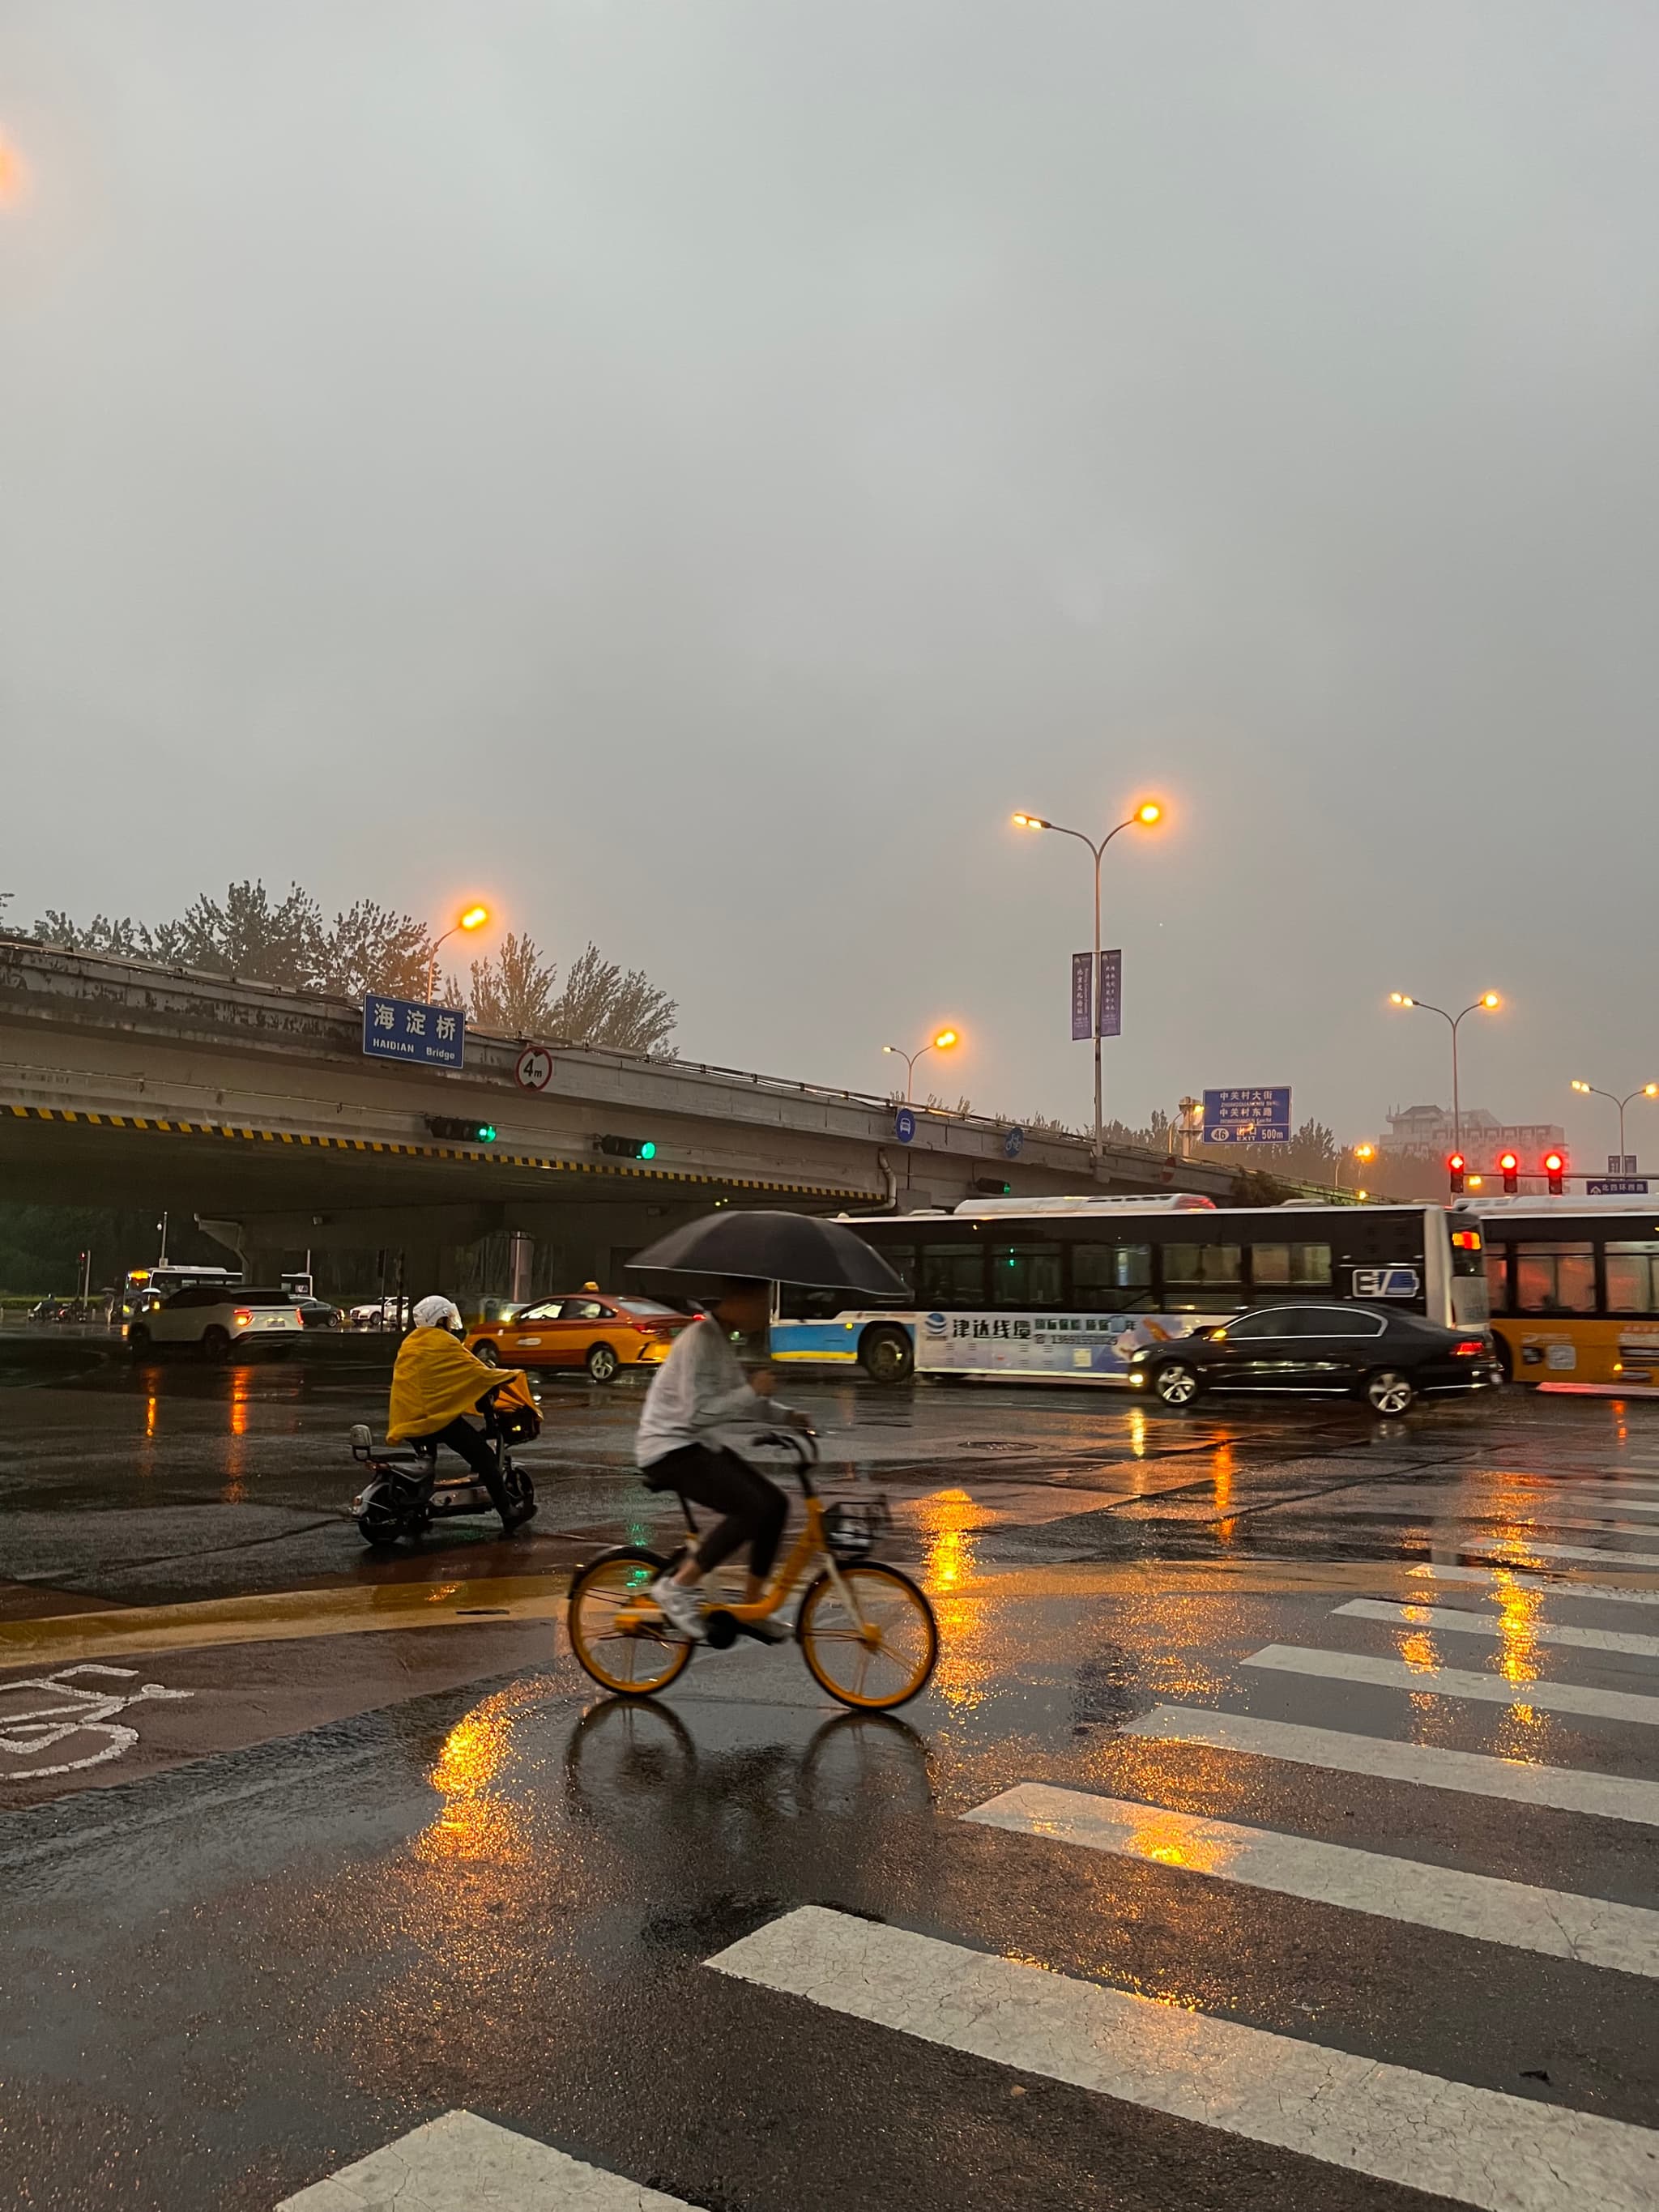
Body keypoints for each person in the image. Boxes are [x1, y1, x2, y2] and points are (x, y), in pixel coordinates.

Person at [636, 1278, 807, 1641]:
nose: (765, 1312)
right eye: (761, 1302)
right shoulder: (699, 1340)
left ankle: (751, 1607)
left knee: (774, 1504)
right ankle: (678, 1586)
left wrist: (789, 1417)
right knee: (751, 1508)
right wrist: (751, 1390)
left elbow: (742, 1399)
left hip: (696, 1444)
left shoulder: (720, 1339)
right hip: (668, 1450)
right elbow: (696, 1414)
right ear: (738, 1301)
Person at [386, 1295, 535, 1533]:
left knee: (426, 1465)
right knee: (484, 1458)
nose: (449, 1323)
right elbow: (474, 1371)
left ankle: (417, 1515)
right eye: (447, 1318)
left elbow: (438, 1378)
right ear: (440, 1319)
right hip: (437, 1418)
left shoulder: (411, 1343)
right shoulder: (444, 1342)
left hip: (410, 1418)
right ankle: (508, 1513)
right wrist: (509, 1374)